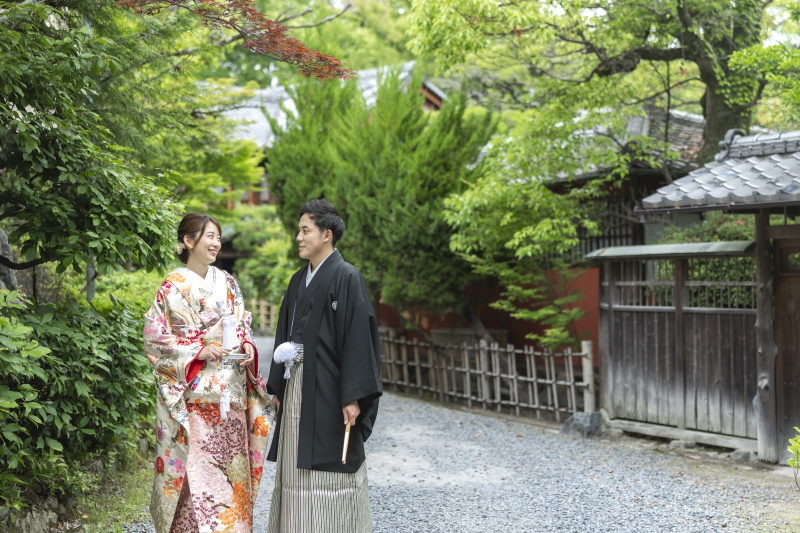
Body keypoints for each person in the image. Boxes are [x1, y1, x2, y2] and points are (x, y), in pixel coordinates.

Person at [144, 213, 272, 533]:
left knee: (232, 478)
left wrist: (246, 348)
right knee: (196, 481)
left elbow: (244, 328)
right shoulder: (171, 287)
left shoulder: (228, 283)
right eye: (209, 236)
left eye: (217, 237)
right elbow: (155, 339)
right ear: (188, 242)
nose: (216, 242)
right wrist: (197, 351)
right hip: (196, 400)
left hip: (231, 398)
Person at [266, 199, 382, 533]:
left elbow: (359, 339)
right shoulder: (296, 280)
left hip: (332, 388)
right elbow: (283, 335)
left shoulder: (347, 277)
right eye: (298, 231)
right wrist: (278, 385)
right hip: (297, 383)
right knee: (295, 463)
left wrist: (352, 395)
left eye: (306, 231)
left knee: (333, 462)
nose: (298, 237)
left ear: (326, 235)